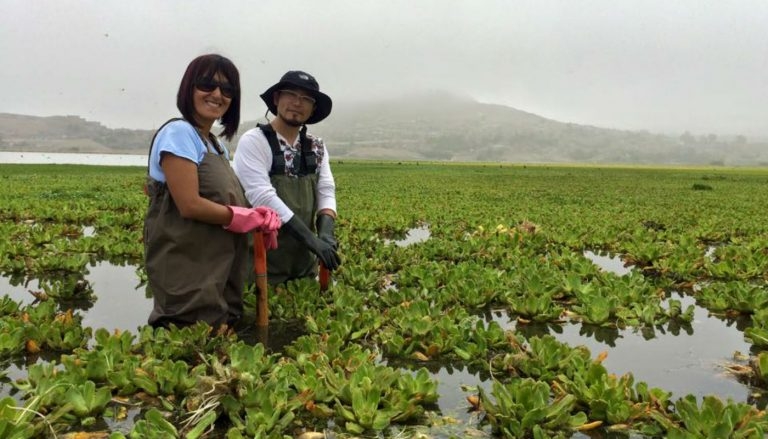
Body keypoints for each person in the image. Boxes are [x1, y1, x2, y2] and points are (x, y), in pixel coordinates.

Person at [144, 54, 281, 328]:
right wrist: (240, 217)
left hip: (219, 266)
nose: (217, 94)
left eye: (227, 89)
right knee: (187, 338)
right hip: (188, 264)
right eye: (207, 84)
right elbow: (189, 204)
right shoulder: (179, 133)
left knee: (220, 334)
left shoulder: (216, 145)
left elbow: (222, 200)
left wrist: (257, 218)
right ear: (189, 88)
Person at [234, 70, 341, 285]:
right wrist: (312, 240)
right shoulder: (254, 141)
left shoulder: (316, 146)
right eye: (291, 94)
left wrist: (326, 233)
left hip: (303, 266)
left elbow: (325, 190)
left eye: (306, 99)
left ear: (312, 109)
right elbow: (262, 196)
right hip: (261, 267)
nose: (297, 103)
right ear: (276, 99)